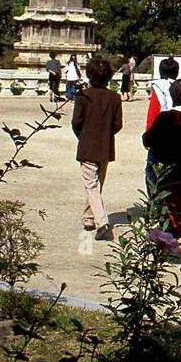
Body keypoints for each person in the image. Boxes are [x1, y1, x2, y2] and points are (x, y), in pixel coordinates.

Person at [143, 77, 181, 268]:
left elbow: (148, 139)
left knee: (165, 204)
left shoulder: (165, 118)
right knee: (180, 203)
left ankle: (174, 244)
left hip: (164, 166)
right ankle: (179, 239)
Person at [72, 56, 122, 240]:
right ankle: (88, 217)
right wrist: (106, 135)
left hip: (87, 145)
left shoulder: (83, 96)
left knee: (91, 185)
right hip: (105, 146)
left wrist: (83, 136)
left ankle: (102, 222)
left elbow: (76, 122)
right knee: (95, 185)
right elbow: (118, 125)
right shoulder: (115, 97)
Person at [145, 57, 180, 195]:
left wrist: (148, 134)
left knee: (152, 171)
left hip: (159, 132)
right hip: (176, 131)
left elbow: (153, 113)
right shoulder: (180, 87)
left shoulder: (158, 88)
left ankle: (156, 200)